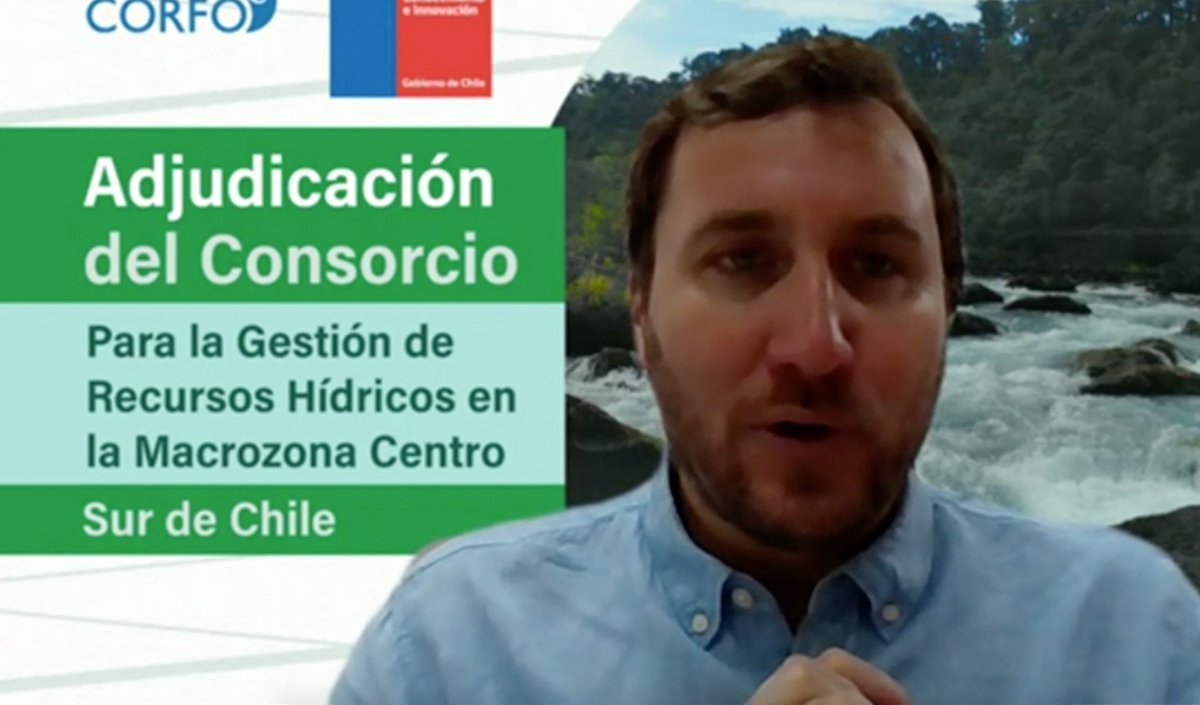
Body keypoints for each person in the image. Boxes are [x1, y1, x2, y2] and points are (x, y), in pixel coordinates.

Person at [329, 37, 1200, 705]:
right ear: (640, 307)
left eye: (877, 266)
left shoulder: (1135, 634)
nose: (815, 345)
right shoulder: (450, 649)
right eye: (742, 261)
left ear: (948, 303)